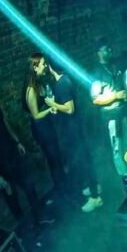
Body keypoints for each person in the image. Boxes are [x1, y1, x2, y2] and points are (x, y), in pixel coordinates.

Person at [0, 76, 52, 225]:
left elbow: (4, 121)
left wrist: (16, 141)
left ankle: (40, 216)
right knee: (12, 197)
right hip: (0, 165)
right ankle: (26, 230)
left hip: (13, 154)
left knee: (29, 184)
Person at [44, 63, 103, 213]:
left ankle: (95, 198)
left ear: (50, 67)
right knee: (85, 159)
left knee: (83, 161)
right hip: (74, 129)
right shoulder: (63, 81)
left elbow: (69, 109)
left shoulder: (62, 84)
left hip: (73, 131)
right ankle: (94, 187)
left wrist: (52, 103)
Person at [89, 39, 127, 195]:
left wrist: (125, 95)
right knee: (118, 151)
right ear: (99, 53)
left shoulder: (114, 66)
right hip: (111, 118)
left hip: (122, 114)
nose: (109, 51)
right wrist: (116, 96)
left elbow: (121, 86)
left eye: (109, 48)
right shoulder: (97, 73)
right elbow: (95, 99)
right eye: (105, 49)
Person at [23, 53, 65, 192]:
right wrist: (50, 109)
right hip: (41, 129)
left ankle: (64, 183)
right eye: (43, 64)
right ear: (35, 67)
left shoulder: (39, 83)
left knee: (57, 156)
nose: (46, 66)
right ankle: (61, 188)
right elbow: (36, 115)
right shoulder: (30, 90)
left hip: (46, 125)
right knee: (53, 158)